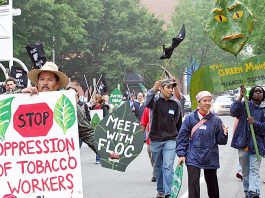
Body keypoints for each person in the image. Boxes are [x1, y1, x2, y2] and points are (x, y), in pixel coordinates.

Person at [22, 61, 97, 154]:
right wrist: (18, 97)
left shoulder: (69, 106)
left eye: (50, 79)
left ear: (57, 84)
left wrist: (107, 153)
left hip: (59, 164)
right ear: (37, 82)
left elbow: (88, 134)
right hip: (33, 164)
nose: (45, 83)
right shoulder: (25, 102)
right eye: (42, 79)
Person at [176, 91, 228, 198]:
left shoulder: (216, 120)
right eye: (204, 100)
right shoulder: (190, 118)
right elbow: (182, 137)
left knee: (212, 185)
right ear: (199, 102)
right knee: (193, 185)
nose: (207, 103)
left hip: (210, 156)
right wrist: (181, 154)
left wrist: (224, 134)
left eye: (209, 100)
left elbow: (221, 141)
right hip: (193, 156)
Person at [145, 78, 182, 198]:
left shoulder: (176, 103)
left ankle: (169, 193)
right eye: (168, 87)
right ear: (161, 88)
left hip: (170, 139)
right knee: (158, 166)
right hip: (155, 139)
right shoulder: (154, 101)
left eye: (172, 88)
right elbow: (147, 101)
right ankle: (160, 191)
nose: (171, 90)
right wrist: (153, 89)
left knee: (167, 166)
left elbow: (178, 122)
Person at [230, 85, 265, 198]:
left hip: (257, 145)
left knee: (254, 170)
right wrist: (240, 96)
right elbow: (234, 111)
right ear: (251, 94)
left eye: (260, 92)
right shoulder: (245, 106)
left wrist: (255, 123)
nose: (258, 93)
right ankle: (247, 192)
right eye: (256, 91)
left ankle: (254, 192)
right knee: (245, 172)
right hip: (243, 143)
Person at [89, 93, 109, 163]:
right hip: (95, 128)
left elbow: (106, 117)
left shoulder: (104, 107)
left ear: (97, 100)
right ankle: (98, 158)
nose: (92, 99)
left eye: (94, 98)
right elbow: (89, 117)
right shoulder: (92, 107)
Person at [140, 106, 156, 182]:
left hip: (162, 137)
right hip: (150, 137)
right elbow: (143, 123)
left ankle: (158, 173)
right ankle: (155, 170)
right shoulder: (147, 109)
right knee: (150, 153)